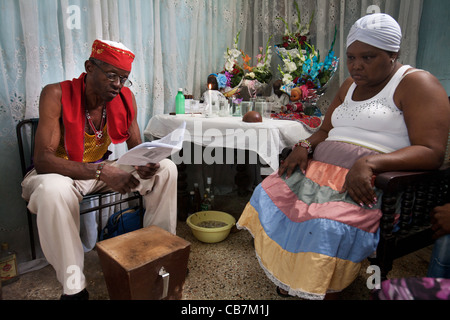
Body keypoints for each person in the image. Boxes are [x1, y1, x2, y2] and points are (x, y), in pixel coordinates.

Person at [237, 13, 450, 300]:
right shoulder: (349, 85)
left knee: (323, 222)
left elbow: (431, 153)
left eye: (368, 57)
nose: (356, 66)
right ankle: (297, 273)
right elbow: (325, 130)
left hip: (371, 183)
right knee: (270, 194)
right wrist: (305, 145)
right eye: (351, 57)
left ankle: (324, 284)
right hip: (321, 173)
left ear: (393, 54)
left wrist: (369, 162)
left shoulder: (417, 83)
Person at [21, 39, 178, 300]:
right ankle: (74, 288)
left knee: (167, 169)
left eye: (123, 79)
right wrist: (101, 172)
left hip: (98, 170)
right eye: (112, 75)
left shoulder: (125, 98)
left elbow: (136, 145)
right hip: (57, 174)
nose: (118, 84)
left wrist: (147, 163)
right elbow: (43, 160)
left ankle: (160, 256)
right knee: (53, 190)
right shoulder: (55, 94)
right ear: (89, 67)